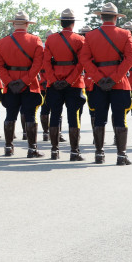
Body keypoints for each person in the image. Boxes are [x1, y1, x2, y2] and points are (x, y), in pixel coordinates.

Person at [79, 3, 132, 165]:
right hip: (119, 84)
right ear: (116, 17)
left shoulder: (90, 36)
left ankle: (99, 154)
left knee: (99, 119)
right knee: (120, 119)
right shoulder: (125, 34)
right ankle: (121, 156)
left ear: (101, 17)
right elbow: (130, 58)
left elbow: (84, 59)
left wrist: (99, 77)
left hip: (99, 84)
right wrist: (115, 77)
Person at [0, 11, 45, 158]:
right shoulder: (35, 40)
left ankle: (8, 147)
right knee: (30, 116)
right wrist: (25, 81)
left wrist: (9, 81)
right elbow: (37, 65)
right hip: (29, 84)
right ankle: (32, 149)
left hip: (10, 85)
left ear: (14, 24)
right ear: (27, 24)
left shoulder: (3, 42)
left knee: (10, 115)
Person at [43, 9, 86, 160]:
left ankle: (54, 151)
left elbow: (46, 63)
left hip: (54, 84)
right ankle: (74, 152)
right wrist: (69, 81)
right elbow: (81, 64)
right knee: (73, 117)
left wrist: (54, 80)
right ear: (73, 24)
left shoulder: (51, 39)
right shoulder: (80, 39)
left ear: (61, 23)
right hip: (73, 84)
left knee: (54, 115)